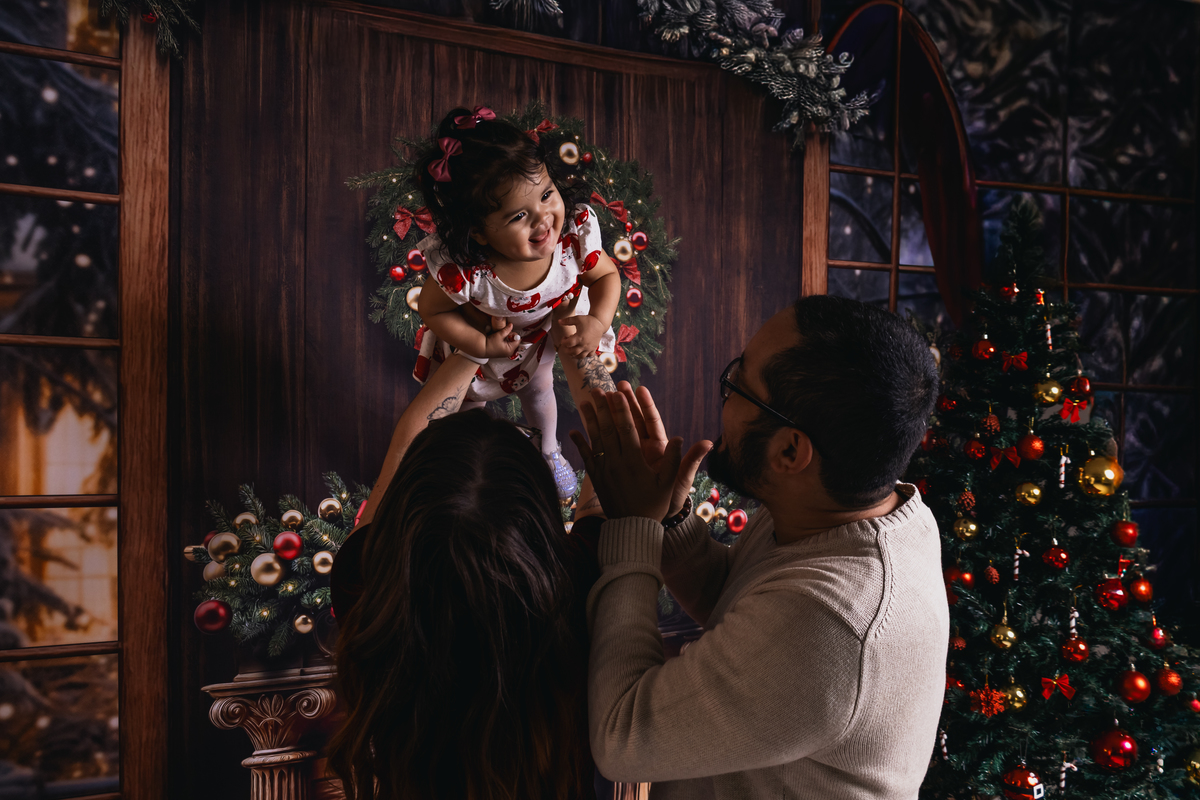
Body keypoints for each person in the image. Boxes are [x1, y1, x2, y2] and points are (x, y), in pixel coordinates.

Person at [570, 295, 948, 799]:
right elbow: (739, 606)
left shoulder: (832, 621)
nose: (723, 397)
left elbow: (621, 738)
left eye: (737, 385)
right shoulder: (844, 506)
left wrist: (632, 525)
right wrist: (671, 519)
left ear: (790, 450)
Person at [328, 335, 614, 800]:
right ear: (539, 518)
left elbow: (404, 447)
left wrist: (475, 342)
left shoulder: (369, 585)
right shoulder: (579, 587)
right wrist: (578, 340)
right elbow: (614, 444)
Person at [412, 105, 622, 499]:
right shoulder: (470, 270)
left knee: (540, 392)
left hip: (536, 342)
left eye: (546, 195)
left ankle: (548, 451)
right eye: (519, 216)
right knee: (466, 412)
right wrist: (480, 344)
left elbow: (607, 276)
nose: (543, 219)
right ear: (480, 233)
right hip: (482, 350)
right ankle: (470, 471)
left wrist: (597, 321)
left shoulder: (571, 240)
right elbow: (433, 309)